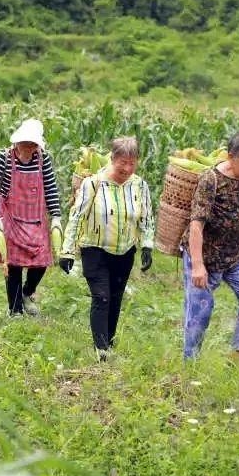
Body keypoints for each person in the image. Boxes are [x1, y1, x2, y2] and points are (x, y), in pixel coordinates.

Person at [181, 130, 239, 367]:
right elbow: (196, 225)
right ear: (232, 157)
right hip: (205, 255)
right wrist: (198, 265)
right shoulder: (211, 180)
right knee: (201, 308)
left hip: (236, 256)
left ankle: (238, 357)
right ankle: (190, 364)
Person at [59, 137, 155, 360]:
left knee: (115, 297)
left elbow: (147, 217)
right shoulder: (93, 183)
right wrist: (67, 250)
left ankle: (108, 343)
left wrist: (147, 246)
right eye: (123, 162)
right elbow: (76, 217)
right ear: (112, 159)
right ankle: (100, 349)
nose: (127, 168)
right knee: (101, 297)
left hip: (125, 251)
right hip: (95, 248)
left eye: (132, 163)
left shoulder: (139, 185)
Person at [0, 118, 61, 316]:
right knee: (14, 265)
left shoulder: (43, 158)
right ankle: (15, 309)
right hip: (10, 216)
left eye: (33, 143)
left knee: (42, 262)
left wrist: (56, 217)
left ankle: (27, 292)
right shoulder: (4, 157)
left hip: (35, 217)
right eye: (25, 142)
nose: (28, 147)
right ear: (17, 141)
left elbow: (50, 188)